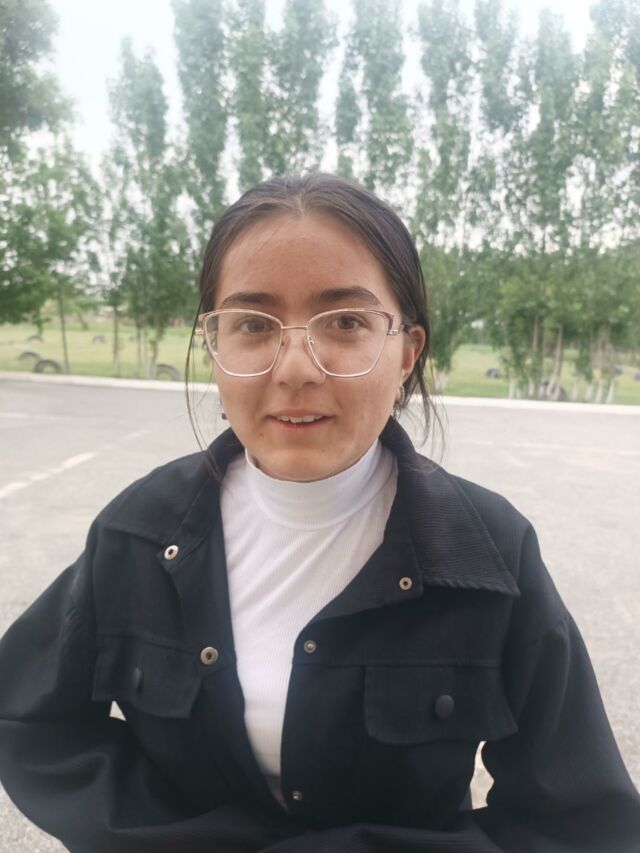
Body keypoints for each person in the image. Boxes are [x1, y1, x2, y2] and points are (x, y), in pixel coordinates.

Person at [0, 171, 639, 853]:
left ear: (407, 353)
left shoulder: (488, 553)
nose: (296, 368)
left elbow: (580, 820)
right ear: (214, 348)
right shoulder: (136, 535)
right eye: (253, 324)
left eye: (345, 322)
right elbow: (28, 721)